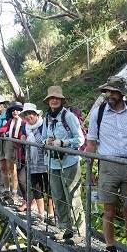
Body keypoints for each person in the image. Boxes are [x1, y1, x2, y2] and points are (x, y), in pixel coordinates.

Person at [86, 76, 127, 252]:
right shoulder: (99, 112)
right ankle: (111, 251)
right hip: (108, 166)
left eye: (113, 92)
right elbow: (92, 142)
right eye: (107, 92)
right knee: (109, 211)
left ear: (122, 93)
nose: (109, 95)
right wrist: (90, 167)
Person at [40, 85, 86, 243]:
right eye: (51, 98)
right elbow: (43, 137)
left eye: (57, 98)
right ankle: (64, 228)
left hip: (69, 162)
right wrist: (46, 141)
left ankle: (79, 231)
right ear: (48, 101)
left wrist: (63, 142)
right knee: (58, 196)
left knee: (73, 195)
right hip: (52, 162)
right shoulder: (47, 118)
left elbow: (80, 139)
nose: (54, 100)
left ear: (61, 100)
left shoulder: (69, 116)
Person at [20, 103, 54, 220]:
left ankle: (50, 212)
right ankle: (41, 214)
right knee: (36, 186)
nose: (29, 116)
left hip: (46, 160)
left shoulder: (45, 124)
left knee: (49, 186)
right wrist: (23, 138)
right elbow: (22, 136)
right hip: (32, 162)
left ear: (36, 114)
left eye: (31, 113)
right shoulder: (25, 127)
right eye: (26, 114)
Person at [0, 101, 24, 206]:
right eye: (13, 110)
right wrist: (1, 132)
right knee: (9, 168)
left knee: (14, 169)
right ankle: (9, 190)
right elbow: (3, 128)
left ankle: (15, 192)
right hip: (11, 146)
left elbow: (23, 133)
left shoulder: (24, 122)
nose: (15, 112)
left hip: (19, 150)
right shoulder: (11, 121)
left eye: (17, 110)